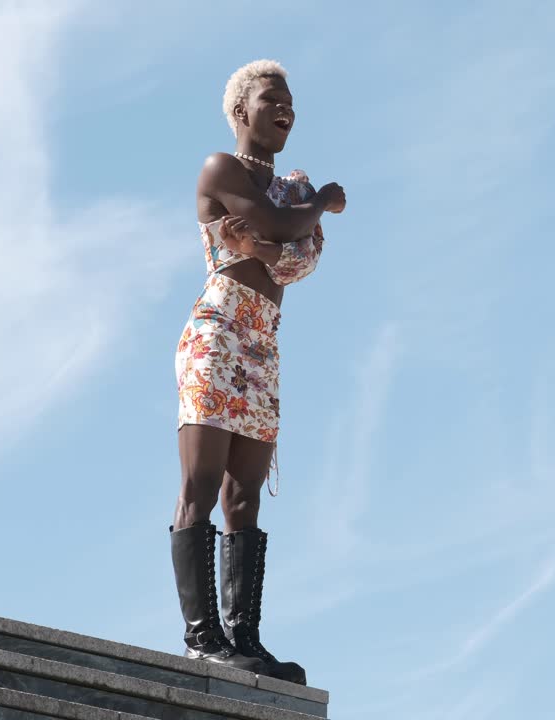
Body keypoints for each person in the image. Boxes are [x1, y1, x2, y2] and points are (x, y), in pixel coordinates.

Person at [169, 59, 346, 686]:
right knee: (203, 481)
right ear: (242, 110)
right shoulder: (222, 168)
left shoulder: (289, 186)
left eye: (291, 99)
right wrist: (318, 205)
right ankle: (202, 640)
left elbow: (298, 258)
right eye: (272, 96)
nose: (286, 106)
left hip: (263, 346)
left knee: (245, 495)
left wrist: (278, 241)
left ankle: (245, 638)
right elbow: (284, 231)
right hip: (218, 335)